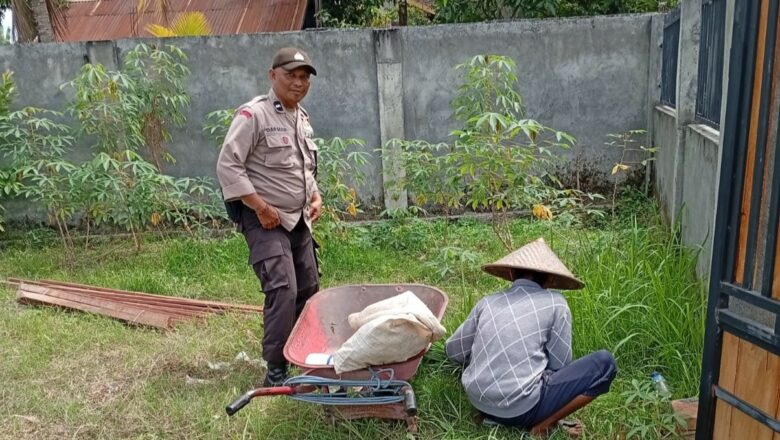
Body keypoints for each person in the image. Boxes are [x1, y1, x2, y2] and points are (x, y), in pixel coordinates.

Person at [216, 47, 322, 387]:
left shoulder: (301, 119)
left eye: (304, 76)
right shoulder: (254, 115)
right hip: (265, 220)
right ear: (272, 75)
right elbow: (228, 165)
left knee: (309, 289)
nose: (299, 82)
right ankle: (276, 370)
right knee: (283, 290)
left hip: (298, 219)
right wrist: (259, 207)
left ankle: (302, 355)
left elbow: (303, 166)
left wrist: (315, 194)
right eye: (291, 74)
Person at [445, 238, 617, 437]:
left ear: (510, 273)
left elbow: (453, 351)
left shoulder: (487, 302)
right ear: (551, 280)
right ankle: (545, 424)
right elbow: (560, 365)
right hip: (521, 407)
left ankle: (493, 417)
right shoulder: (555, 302)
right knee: (605, 363)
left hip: (477, 399)